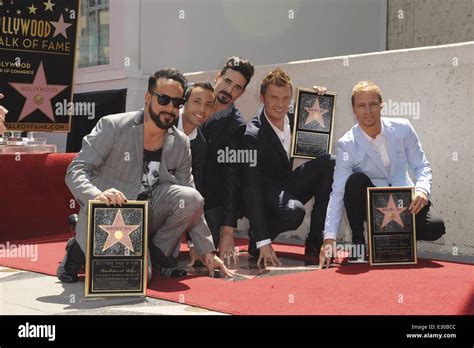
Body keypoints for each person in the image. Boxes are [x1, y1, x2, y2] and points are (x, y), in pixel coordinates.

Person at [57, 69, 233, 283]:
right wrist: (97, 195)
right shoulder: (113, 126)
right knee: (137, 279)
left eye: (176, 103)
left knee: (190, 198)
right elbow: (76, 170)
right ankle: (77, 250)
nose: (170, 108)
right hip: (111, 215)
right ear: (148, 97)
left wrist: (207, 251)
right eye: (164, 99)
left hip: (148, 216)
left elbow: (193, 199)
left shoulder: (180, 142)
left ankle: (156, 253)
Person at [320, 80, 446, 267]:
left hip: (405, 200)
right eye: (361, 106)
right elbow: (338, 191)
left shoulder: (403, 128)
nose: (368, 111)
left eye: (373, 104)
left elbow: (421, 166)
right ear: (354, 109)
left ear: (381, 105)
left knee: (435, 227)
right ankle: (358, 243)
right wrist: (329, 237)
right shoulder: (346, 143)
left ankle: (395, 237)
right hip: (373, 207)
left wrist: (422, 190)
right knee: (354, 181)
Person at [242, 67, 335, 266]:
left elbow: (315, 114)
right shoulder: (252, 135)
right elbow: (251, 189)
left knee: (330, 162)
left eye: (286, 98)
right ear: (262, 97)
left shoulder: (294, 113)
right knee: (295, 212)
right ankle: (257, 239)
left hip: (286, 184)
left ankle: (315, 240)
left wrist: (317, 97)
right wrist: (263, 240)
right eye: (274, 98)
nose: (280, 104)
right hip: (266, 192)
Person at [201, 56, 254, 264]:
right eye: (227, 81)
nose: (229, 90)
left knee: (204, 249)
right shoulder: (194, 101)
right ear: (217, 77)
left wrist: (228, 233)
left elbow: (232, 180)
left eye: (237, 87)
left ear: (242, 93)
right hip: (177, 191)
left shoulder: (237, 127)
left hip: (210, 203)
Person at [176, 82, 215, 266]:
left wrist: (195, 244)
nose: (202, 109)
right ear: (184, 102)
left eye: (208, 104)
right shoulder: (162, 122)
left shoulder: (200, 145)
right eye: (197, 101)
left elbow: (194, 191)